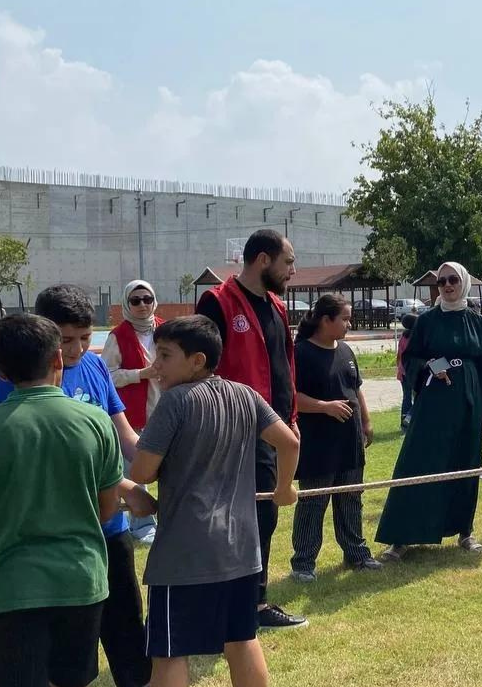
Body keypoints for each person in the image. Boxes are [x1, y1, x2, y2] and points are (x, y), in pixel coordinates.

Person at [0, 314, 143, 687]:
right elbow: (106, 511)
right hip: (80, 583)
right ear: (57, 358)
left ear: (0, 373)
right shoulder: (95, 422)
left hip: (7, 588)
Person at [0, 285, 154, 687]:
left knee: (127, 630)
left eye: (85, 338)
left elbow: (124, 435)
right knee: (64, 656)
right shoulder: (18, 378)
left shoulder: (96, 366)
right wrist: (124, 486)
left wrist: (162, 465)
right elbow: (46, 459)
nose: (78, 349)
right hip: (60, 536)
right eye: (66, 341)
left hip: (110, 527)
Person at [128, 316, 301, 687]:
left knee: (170, 652)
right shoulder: (247, 395)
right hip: (242, 550)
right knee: (242, 640)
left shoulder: (174, 402)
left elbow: (143, 471)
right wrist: (284, 489)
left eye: (165, 355)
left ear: (197, 360)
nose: (156, 365)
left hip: (184, 555)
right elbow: (290, 443)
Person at [195, 228, 305, 630]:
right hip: (233, 431)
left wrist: (291, 417)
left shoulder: (276, 306)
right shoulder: (216, 302)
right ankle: (231, 605)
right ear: (263, 260)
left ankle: (255, 603)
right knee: (233, 520)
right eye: (288, 261)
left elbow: (282, 368)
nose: (293, 270)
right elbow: (199, 369)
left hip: (274, 429)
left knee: (265, 516)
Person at [376, 262, 482, 559]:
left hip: (469, 402)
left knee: (466, 463)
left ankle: (464, 531)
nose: (447, 285)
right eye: (442, 281)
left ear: (464, 282)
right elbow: (412, 358)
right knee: (418, 463)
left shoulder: (477, 323)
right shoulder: (426, 321)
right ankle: (401, 537)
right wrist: (434, 365)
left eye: (453, 279)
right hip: (435, 401)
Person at [289, 295, 381, 582]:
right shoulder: (300, 353)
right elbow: (291, 398)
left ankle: (357, 554)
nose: (348, 324)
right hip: (318, 444)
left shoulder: (345, 350)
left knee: (351, 498)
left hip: (349, 442)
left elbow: (357, 389)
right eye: (344, 319)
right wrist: (324, 407)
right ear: (325, 320)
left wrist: (365, 421)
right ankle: (303, 564)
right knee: (314, 503)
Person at [103, 279, 163, 545]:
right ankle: (142, 526)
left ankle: (167, 519)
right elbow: (108, 376)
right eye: (135, 300)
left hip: (165, 408)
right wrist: (141, 374)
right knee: (135, 469)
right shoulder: (118, 336)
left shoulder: (166, 329)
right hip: (132, 415)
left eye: (147, 299)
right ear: (127, 304)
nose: (142, 305)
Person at [398, 312, 417, 430]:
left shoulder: (403, 337)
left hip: (402, 371)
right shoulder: (415, 338)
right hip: (413, 373)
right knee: (419, 397)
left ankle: (404, 423)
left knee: (406, 397)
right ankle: (409, 418)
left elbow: (399, 355)